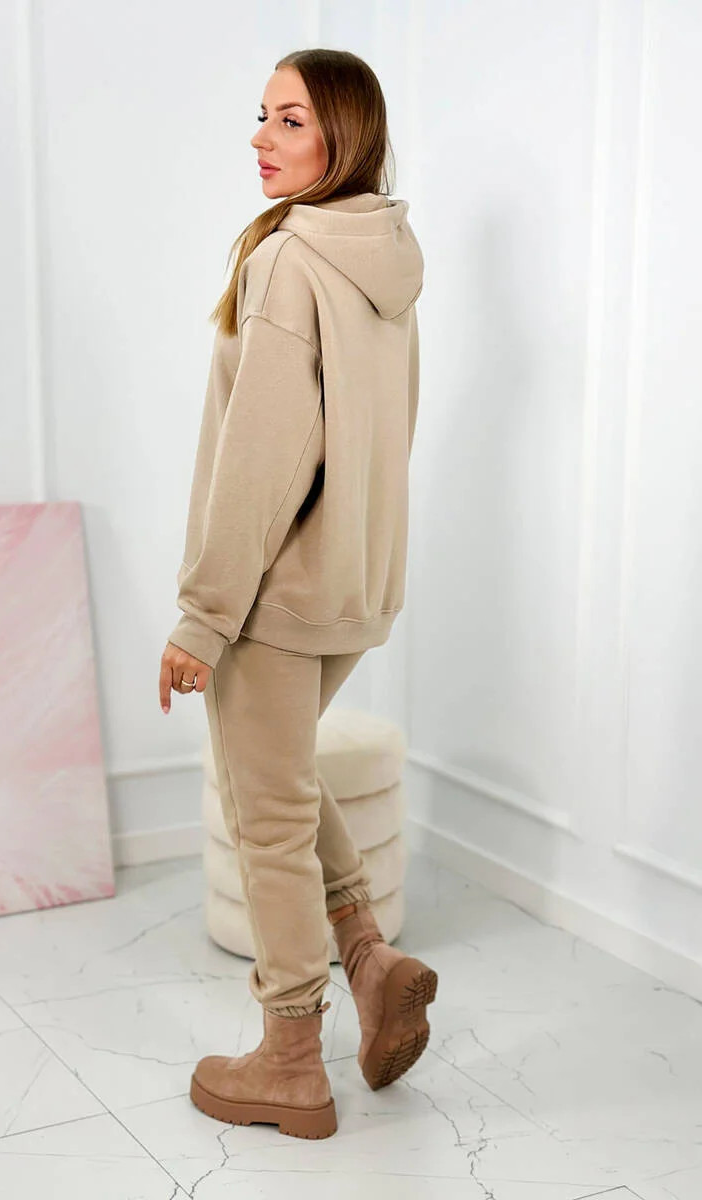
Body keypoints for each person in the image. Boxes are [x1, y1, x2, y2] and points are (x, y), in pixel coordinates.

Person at [157, 47, 437, 1139]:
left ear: (343, 138)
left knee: (263, 813)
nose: (261, 138)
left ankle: (287, 1062)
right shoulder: (386, 258)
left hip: (275, 593)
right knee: (274, 773)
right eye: (262, 116)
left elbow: (264, 459)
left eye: (289, 120)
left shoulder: (289, 261)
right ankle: (367, 958)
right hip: (354, 584)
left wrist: (204, 614)